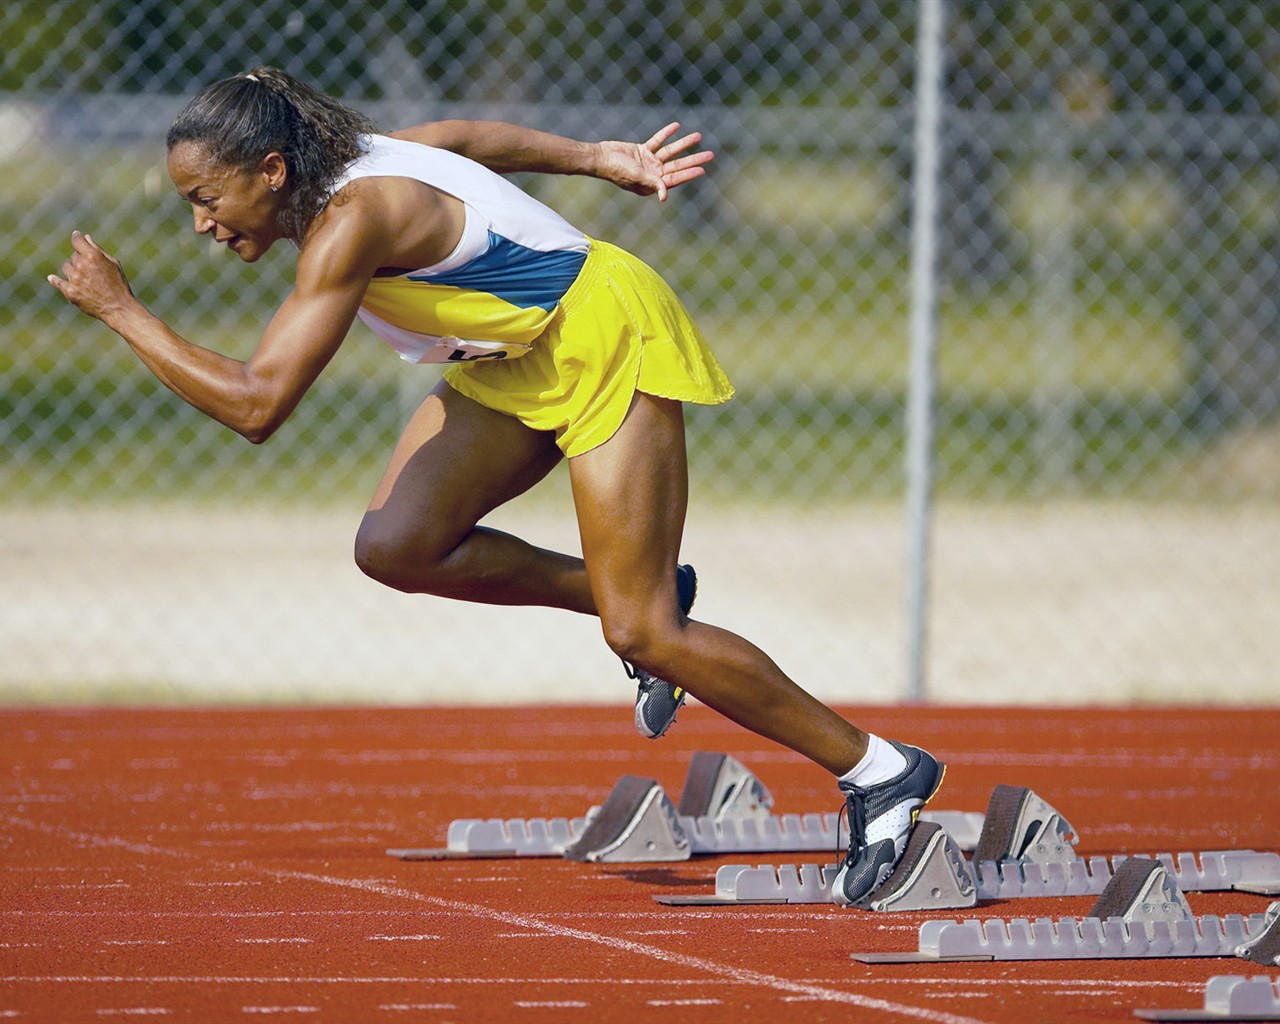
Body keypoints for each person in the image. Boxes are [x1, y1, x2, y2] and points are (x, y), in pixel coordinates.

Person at [48, 67, 943, 906]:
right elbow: (467, 138)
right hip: (515, 359)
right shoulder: (353, 160)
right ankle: (635, 589)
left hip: (599, 335)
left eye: (206, 199)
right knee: (398, 545)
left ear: (273, 170)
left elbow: (258, 404)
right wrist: (596, 158)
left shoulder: (349, 222)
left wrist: (123, 312)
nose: (201, 223)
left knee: (645, 633)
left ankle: (877, 769)